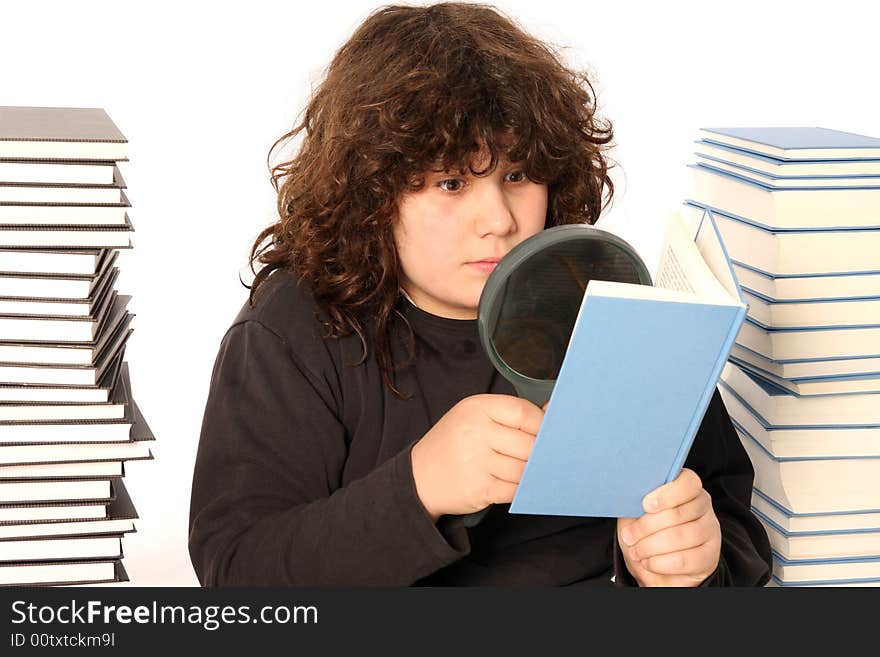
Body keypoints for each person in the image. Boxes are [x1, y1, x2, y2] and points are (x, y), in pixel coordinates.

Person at [188, 2, 772, 587]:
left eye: (517, 176)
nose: (497, 218)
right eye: (451, 182)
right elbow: (238, 578)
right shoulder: (293, 331)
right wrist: (419, 486)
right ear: (373, 192)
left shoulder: (609, 303)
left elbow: (734, 525)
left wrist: (692, 561)